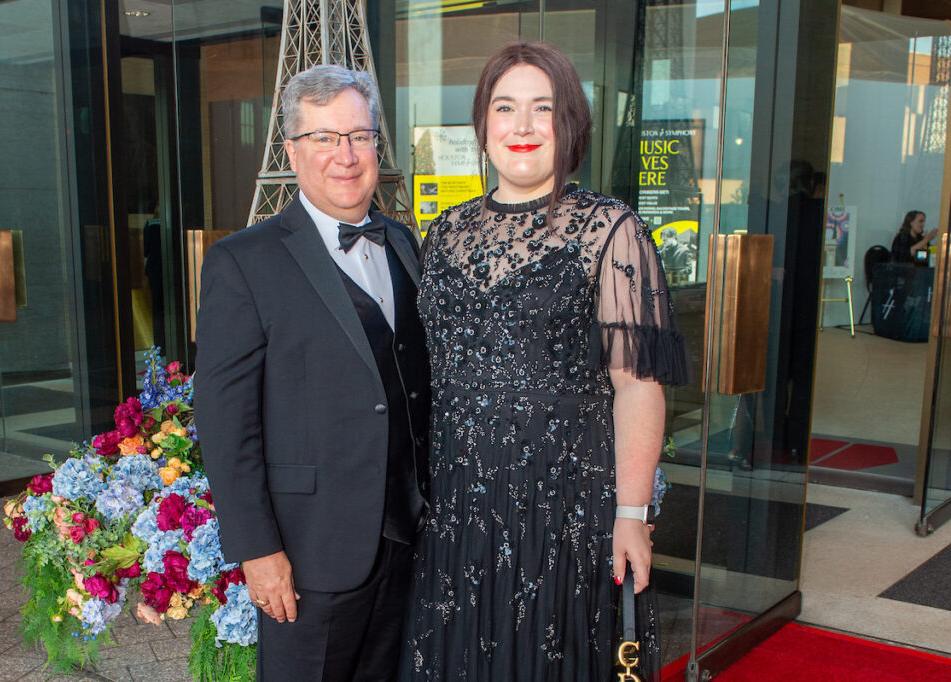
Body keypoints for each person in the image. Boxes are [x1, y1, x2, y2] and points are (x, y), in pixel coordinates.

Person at [401, 42, 689, 681]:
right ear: (483, 125)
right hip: (457, 511)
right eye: (505, 108)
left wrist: (632, 516)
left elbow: (638, 386)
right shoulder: (445, 231)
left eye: (543, 109)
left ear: (571, 124)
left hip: (563, 511)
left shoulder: (612, 231)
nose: (523, 127)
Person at [195, 64, 430, 681]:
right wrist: (258, 551)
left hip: (407, 539)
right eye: (324, 138)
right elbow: (225, 424)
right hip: (308, 552)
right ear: (293, 152)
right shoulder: (242, 262)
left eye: (358, 135)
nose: (345, 155)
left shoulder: (404, 243)